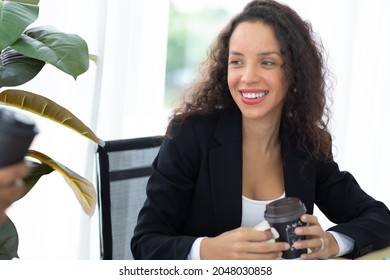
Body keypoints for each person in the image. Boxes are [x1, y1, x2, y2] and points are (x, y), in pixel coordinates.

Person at [131, 0, 390, 260]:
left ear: (294, 73)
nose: (248, 77)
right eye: (237, 62)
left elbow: (379, 218)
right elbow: (145, 243)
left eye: (267, 62)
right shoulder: (189, 135)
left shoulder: (306, 144)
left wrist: (333, 242)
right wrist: (208, 250)